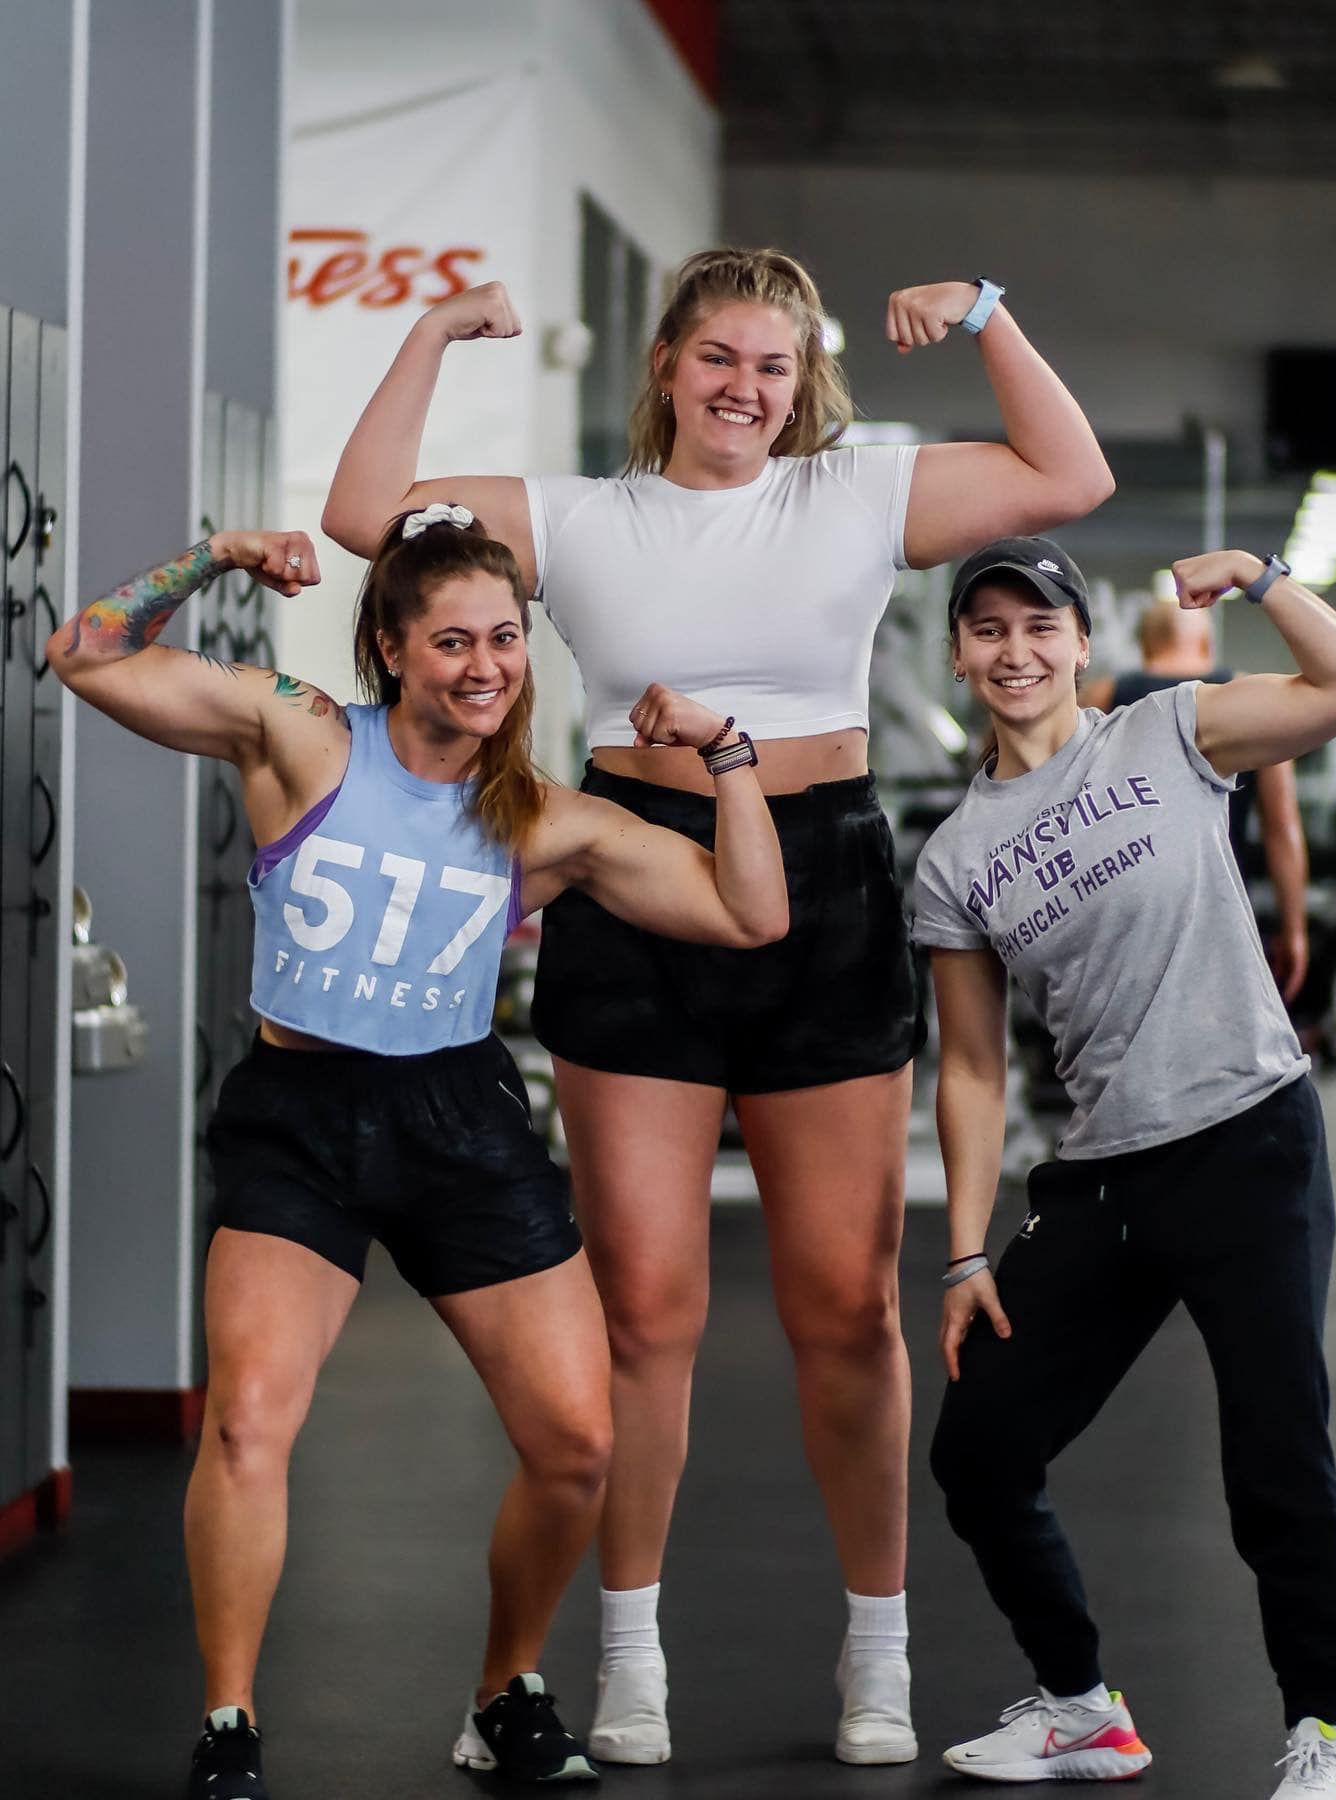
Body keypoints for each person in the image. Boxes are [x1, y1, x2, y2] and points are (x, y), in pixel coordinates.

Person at [323, 249, 1114, 1766]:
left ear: (801, 381)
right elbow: (368, 517)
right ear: (668, 366)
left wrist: (994, 315)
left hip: (823, 889)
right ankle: (630, 1656)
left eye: (773, 364)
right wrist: (429, 330)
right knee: (650, 1315)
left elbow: (1066, 472)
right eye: (717, 358)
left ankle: (875, 1658)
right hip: (634, 883)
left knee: (844, 1307)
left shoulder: (851, 501)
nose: (744, 388)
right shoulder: (579, 520)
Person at [46, 507, 789, 1798]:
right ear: (392, 648)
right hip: (303, 1118)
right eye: (453, 641)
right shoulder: (298, 732)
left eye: (504, 639)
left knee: (576, 1443)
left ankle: (507, 1691)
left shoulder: (546, 822)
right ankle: (229, 1722)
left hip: (460, 1122)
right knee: (249, 1426)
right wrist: (216, 559)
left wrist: (728, 753)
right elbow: (89, 652)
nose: (485, 665)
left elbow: (749, 910)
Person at [913, 536, 1336, 1796]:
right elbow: (971, 1068)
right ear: (960, 655)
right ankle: (1080, 1709)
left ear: (1080, 642)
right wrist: (965, 1250)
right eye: (989, 630)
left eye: (1040, 626)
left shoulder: (1165, 731)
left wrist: (1264, 577)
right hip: (1106, 1176)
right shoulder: (956, 857)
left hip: (1249, 1141)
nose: (1015, 651)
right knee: (981, 1450)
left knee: (1276, 1452)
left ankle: (1324, 1739)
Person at [1083, 599, 1310, 1002]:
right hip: (1219, 912)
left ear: (1146, 646)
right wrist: (1294, 928)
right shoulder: (1247, 696)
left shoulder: (1105, 695)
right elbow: (1282, 827)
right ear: (1206, 643)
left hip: (1124, 918)